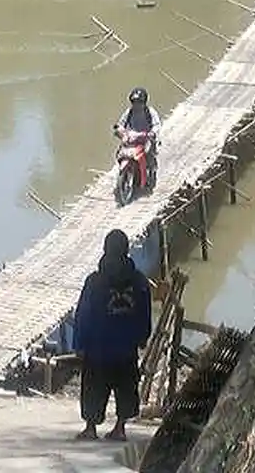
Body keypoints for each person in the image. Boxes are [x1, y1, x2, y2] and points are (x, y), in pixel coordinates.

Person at [73, 229, 153, 442]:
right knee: (126, 386)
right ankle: (120, 427)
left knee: (93, 386)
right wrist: (143, 336)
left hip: (98, 346)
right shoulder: (138, 281)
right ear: (126, 250)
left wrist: (79, 342)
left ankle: (90, 427)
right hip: (126, 347)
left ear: (106, 249)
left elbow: (84, 313)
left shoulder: (95, 281)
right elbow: (144, 311)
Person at [116, 87, 161, 186]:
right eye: (134, 102)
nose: (136, 105)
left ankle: (150, 172)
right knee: (120, 152)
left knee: (148, 152)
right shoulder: (129, 112)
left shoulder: (150, 112)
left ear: (144, 102)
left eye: (139, 102)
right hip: (132, 138)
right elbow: (121, 123)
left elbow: (157, 125)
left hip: (146, 138)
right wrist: (119, 130)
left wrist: (152, 133)